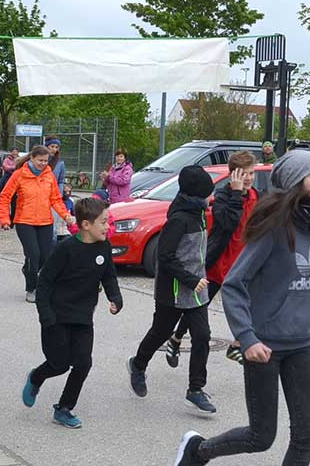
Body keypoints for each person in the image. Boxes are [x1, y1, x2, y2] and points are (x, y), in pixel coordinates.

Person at [169, 150, 310, 466]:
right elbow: (234, 285)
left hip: (300, 345)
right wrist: (246, 338)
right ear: (295, 183)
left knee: (305, 435)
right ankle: (197, 452)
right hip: (263, 346)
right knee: (261, 436)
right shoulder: (274, 230)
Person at [22, 197, 124, 428]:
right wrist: (45, 315)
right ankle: (36, 377)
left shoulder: (104, 247)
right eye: (103, 222)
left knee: (83, 363)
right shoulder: (65, 249)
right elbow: (45, 281)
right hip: (56, 316)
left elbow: (109, 276)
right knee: (58, 364)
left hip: (83, 317)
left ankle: (64, 408)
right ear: (86, 225)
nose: (107, 226)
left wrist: (115, 298)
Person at [127, 166, 218, 414]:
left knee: (202, 336)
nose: (211, 197)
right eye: (208, 193)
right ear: (196, 194)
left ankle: (196, 390)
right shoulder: (178, 220)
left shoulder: (199, 213)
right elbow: (165, 257)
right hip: (174, 289)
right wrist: (190, 279)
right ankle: (138, 364)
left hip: (197, 288)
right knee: (161, 332)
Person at [166, 151, 257, 364]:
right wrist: (236, 194)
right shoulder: (223, 197)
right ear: (233, 175)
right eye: (244, 174)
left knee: (251, 305)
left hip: (243, 263)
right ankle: (176, 338)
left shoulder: (256, 196)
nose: (249, 178)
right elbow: (228, 223)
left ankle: (236, 346)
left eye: (251, 173)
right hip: (219, 262)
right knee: (199, 307)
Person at [0, 145, 74, 302]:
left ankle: (31, 272)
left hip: (45, 221)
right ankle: (32, 288)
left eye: (46, 161)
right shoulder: (19, 174)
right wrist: (5, 219)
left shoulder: (49, 175)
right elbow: (5, 197)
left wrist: (66, 215)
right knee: (33, 255)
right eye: (40, 160)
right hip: (24, 221)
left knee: (45, 257)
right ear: (32, 158)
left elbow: (56, 199)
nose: (43, 164)